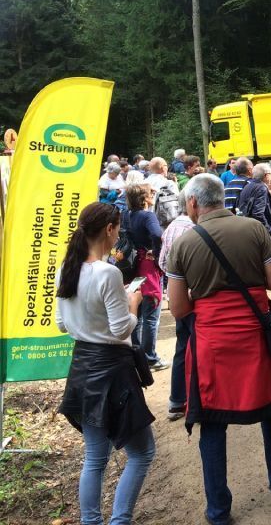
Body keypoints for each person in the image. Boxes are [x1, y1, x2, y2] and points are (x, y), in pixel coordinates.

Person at [165, 174, 271, 524]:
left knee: (213, 422)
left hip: (212, 343)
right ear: (221, 198)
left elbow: (178, 310)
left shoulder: (183, 244)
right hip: (255, 335)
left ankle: (218, 510)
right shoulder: (254, 229)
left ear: (193, 203)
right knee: (270, 411)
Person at [56, 203, 156, 525]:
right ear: (110, 230)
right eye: (118, 229)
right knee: (142, 453)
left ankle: (91, 522)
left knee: (94, 459)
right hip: (113, 371)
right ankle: (119, 521)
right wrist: (133, 304)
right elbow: (120, 328)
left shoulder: (67, 269)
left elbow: (61, 323)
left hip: (82, 368)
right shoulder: (108, 272)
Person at [158, 191, 195, 422]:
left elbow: (162, 262)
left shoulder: (172, 227)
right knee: (199, 347)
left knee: (182, 347)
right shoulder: (193, 229)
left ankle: (176, 401)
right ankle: (199, 402)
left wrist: (176, 284)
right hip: (194, 297)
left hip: (177, 296)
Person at [124, 184, 168, 370]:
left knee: (137, 314)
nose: (154, 195)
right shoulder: (147, 215)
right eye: (151, 193)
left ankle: (137, 357)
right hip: (148, 267)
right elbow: (157, 235)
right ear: (145, 198)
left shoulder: (126, 214)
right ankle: (150, 357)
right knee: (151, 316)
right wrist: (158, 254)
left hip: (132, 268)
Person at [238, 162, 271, 243]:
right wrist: (270, 233)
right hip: (260, 235)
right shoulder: (261, 188)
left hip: (248, 231)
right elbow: (258, 214)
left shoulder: (247, 186)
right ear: (266, 175)